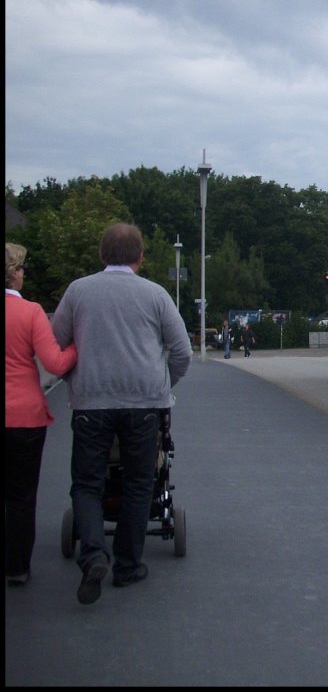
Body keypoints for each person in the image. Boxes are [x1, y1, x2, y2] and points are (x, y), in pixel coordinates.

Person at [51, 223, 192, 605]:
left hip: (91, 402)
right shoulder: (156, 295)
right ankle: (128, 565)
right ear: (140, 257)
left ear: (101, 255)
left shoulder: (78, 291)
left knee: (87, 483)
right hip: (145, 404)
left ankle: (94, 553)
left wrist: (72, 376)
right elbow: (182, 352)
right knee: (139, 482)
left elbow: (55, 342)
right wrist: (163, 386)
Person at [5, 243, 79, 587]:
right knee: (21, 496)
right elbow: (54, 363)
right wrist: (76, 345)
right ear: (13, 273)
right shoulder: (30, 313)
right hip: (23, 417)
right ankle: (17, 567)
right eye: (21, 268)